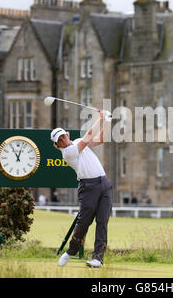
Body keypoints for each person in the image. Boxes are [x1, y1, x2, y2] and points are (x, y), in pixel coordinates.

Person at [52, 110, 112, 268]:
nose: (63, 139)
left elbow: (100, 139)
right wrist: (100, 118)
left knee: (102, 221)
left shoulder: (76, 141)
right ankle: (71, 251)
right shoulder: (68, 153)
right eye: (59, 140)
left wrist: (107, 120)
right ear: (57, 145)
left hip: (104, 183)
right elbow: (88, 136)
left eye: (63, 136)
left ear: (67, 135)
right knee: (84, 222)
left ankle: (98, 258)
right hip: (88, 187)